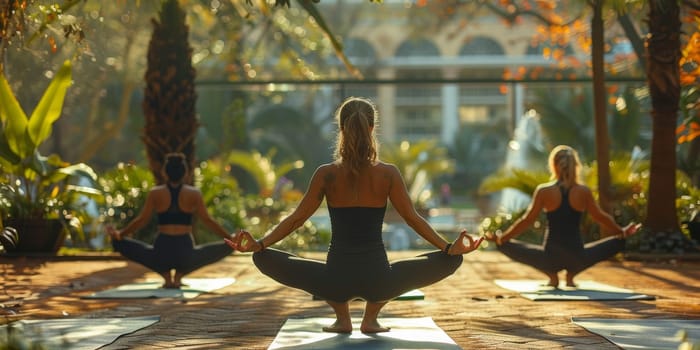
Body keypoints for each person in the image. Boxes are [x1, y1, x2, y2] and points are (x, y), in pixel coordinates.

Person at [226, 97, 483, 334]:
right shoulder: (388, 174)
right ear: (372, 128)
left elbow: (296, 219)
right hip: (380, 281)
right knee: (452, 261)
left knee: (262, 258)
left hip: (334, 281)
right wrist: (448, 248)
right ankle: (370, 319)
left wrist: (260, 245)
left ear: (341, 129)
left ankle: (342, 318)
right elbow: (412, 219)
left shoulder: (326, 173)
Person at [484, 145, 640, 288]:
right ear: (576, 166)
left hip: (550, 258)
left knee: (505, 245)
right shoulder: (583, 191)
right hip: (577, 257)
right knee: (619, 242)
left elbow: (527, 220)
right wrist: (621, 232)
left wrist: (502, 238)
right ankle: (571, 275)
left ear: (553, 165)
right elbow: (600, 217)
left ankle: (552, 275)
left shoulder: (544, 191)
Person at [107, 152, 237, 289]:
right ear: (185, 173)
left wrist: (120, 235)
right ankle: (179, 275)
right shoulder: (194, 194)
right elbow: (207, 221)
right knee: (206, 253)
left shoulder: (156, 193)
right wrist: (229, 238)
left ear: (165, 173)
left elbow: (141, 220)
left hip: (163, 248)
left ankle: (166, 276)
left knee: (125, 245)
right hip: (185, 250)